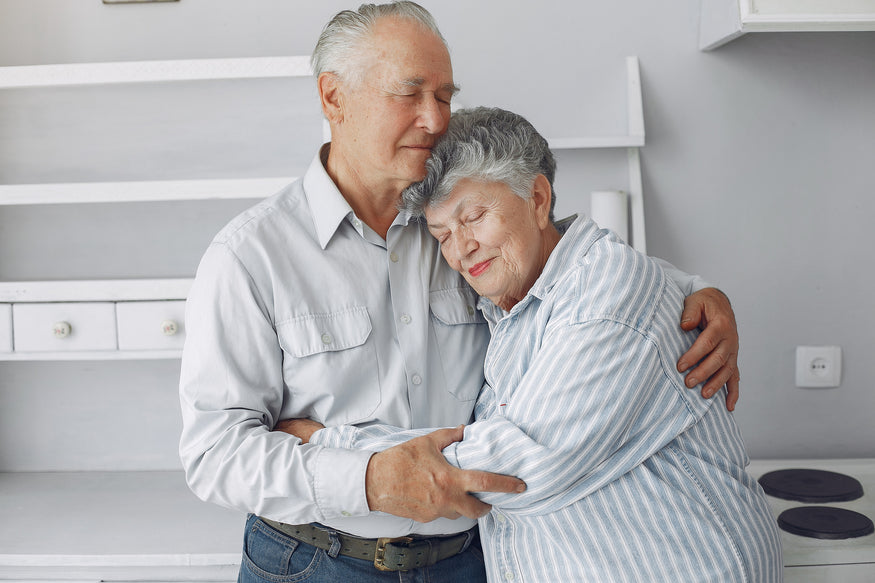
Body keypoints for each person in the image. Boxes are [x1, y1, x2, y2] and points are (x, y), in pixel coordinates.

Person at [178, 2, 744, 581]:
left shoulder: (455, 227)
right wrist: (368, 478)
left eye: (445, 96)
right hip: (314, 561)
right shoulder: (249, 257)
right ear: (333, 98)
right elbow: (213, 455)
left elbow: (569, 268)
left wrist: (694, 294)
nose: (435, 119)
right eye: (411, 92)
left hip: (469, 561)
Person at [295, 106, 783, 582]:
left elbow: (519, 466)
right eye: (442, 234)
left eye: (475, 216)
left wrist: (328, 443)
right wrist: (699, 285)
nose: (461, 250)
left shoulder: (606, 292)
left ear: (537, 198)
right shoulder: (509, 301)